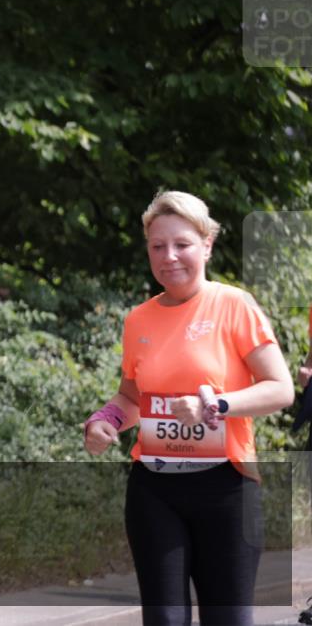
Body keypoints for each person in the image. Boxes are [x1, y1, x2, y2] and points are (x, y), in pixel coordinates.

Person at [83, 191, 294, 625]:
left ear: (207, 245)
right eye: (158, 246)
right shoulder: (138, 320)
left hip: (226, 488)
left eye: (182, 244)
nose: (170, 256)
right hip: (154, 490)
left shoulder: (233, 305)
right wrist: (106, 420)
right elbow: (132, 398)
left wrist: (217, 404)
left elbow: (281, 388)